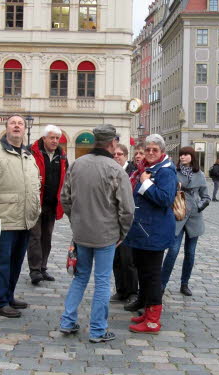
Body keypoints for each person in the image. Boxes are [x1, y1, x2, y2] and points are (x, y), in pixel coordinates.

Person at [59, 124, 134, 343]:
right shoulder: (116, 169)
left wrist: (76, 221)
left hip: (82, 232)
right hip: (106, 234)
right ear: (112, 143)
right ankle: (98, 330)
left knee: (80, 277)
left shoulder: (77, 165)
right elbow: (127, 209)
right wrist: (123, 233)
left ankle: (67, 320)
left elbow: (65, 198)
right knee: (102, 281)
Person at [0, 114, 41, 318]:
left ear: (24, 130)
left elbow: (34, 184)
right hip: (2, 217)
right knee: (1, 262)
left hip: (24, 218)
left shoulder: (27, 155)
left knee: (15, 262)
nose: (17, 126)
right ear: (6, 128)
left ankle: (8, 296)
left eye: (20, 124)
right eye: (13, 123)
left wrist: (35, 209)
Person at [125, 134, 177, 334]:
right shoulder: (144, 169)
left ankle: (153, 320)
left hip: (154, 231)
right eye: (148, 149)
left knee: (153, 276)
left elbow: (165, 199)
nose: (151, 153)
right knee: (144, 274)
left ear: (162, 152)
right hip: (142, 230)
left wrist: (146, 184)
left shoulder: (166, 172)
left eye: (155, 150)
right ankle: (147, 311)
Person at [161, 147, 210, 296]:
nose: (182, 157)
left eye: (186, 154)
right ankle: (162, 284)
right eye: (181, 155)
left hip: (194, 217)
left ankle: (185, 283)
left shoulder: (199, 174)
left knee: (190, 252)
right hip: (178, 214)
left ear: (192, 157)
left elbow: (206, 197)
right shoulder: (173, 172)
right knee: (173, 251)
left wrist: (198, 206)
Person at [27, 125, 68, 285]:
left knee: (47, 237)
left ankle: (43, 267)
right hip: (36, 202)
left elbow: (66, 177)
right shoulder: (32, 152)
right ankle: (35, 270)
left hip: (52, 204)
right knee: (35, 237)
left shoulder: (62, 156)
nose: (55, 141)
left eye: (57, 138)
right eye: (52, 138)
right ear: (44, 138)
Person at [110, 143, 139, 305]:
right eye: (114, 154)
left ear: (126, 156)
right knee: (115, 259)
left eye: (119, 154)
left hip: (128, 221)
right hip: (112, 221)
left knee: (128, 260)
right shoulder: (111, 170)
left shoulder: (132, 172)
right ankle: (120, 290)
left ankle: (132, 292)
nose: (116, 157)